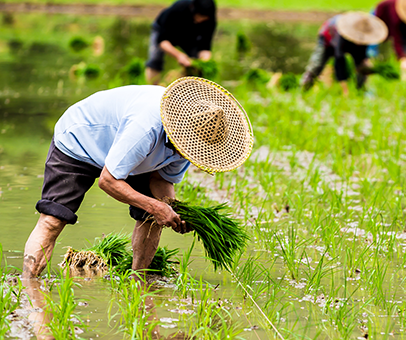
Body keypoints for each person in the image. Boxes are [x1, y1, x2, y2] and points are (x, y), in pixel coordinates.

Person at [21, 77, 255, 280]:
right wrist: (155, 206)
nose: (188, 153)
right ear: (178, 129)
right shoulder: (146, 126)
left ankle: (138, 281)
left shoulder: (193, 143)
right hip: (80, 140)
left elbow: (162, 182)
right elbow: (108, 180)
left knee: (152, 217)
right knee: (53, 220)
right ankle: (28, 288)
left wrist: (172, 210)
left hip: (131, 154)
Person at [300, 12, 389, 95]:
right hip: (328, 39)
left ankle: (361, 90)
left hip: (348, 42)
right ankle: (303, 90)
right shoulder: (342, 34)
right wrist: (344, 89)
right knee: (317, 65)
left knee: (362, 66)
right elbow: (339, 61)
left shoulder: (364, 38)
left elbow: (362, 57)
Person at [145, 0, 218, 84]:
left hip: (188, 34)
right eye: (199, 16)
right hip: (164, 31)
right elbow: (162, 41)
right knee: (155, 60)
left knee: (195, 65)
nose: (200, 20)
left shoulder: (210, 20)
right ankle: (154, 88)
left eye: (204, 18)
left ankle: (185, 90)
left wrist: (203, 62)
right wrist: (179, 56)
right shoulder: (178, 9)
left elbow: (205, 46)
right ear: (193, 10)